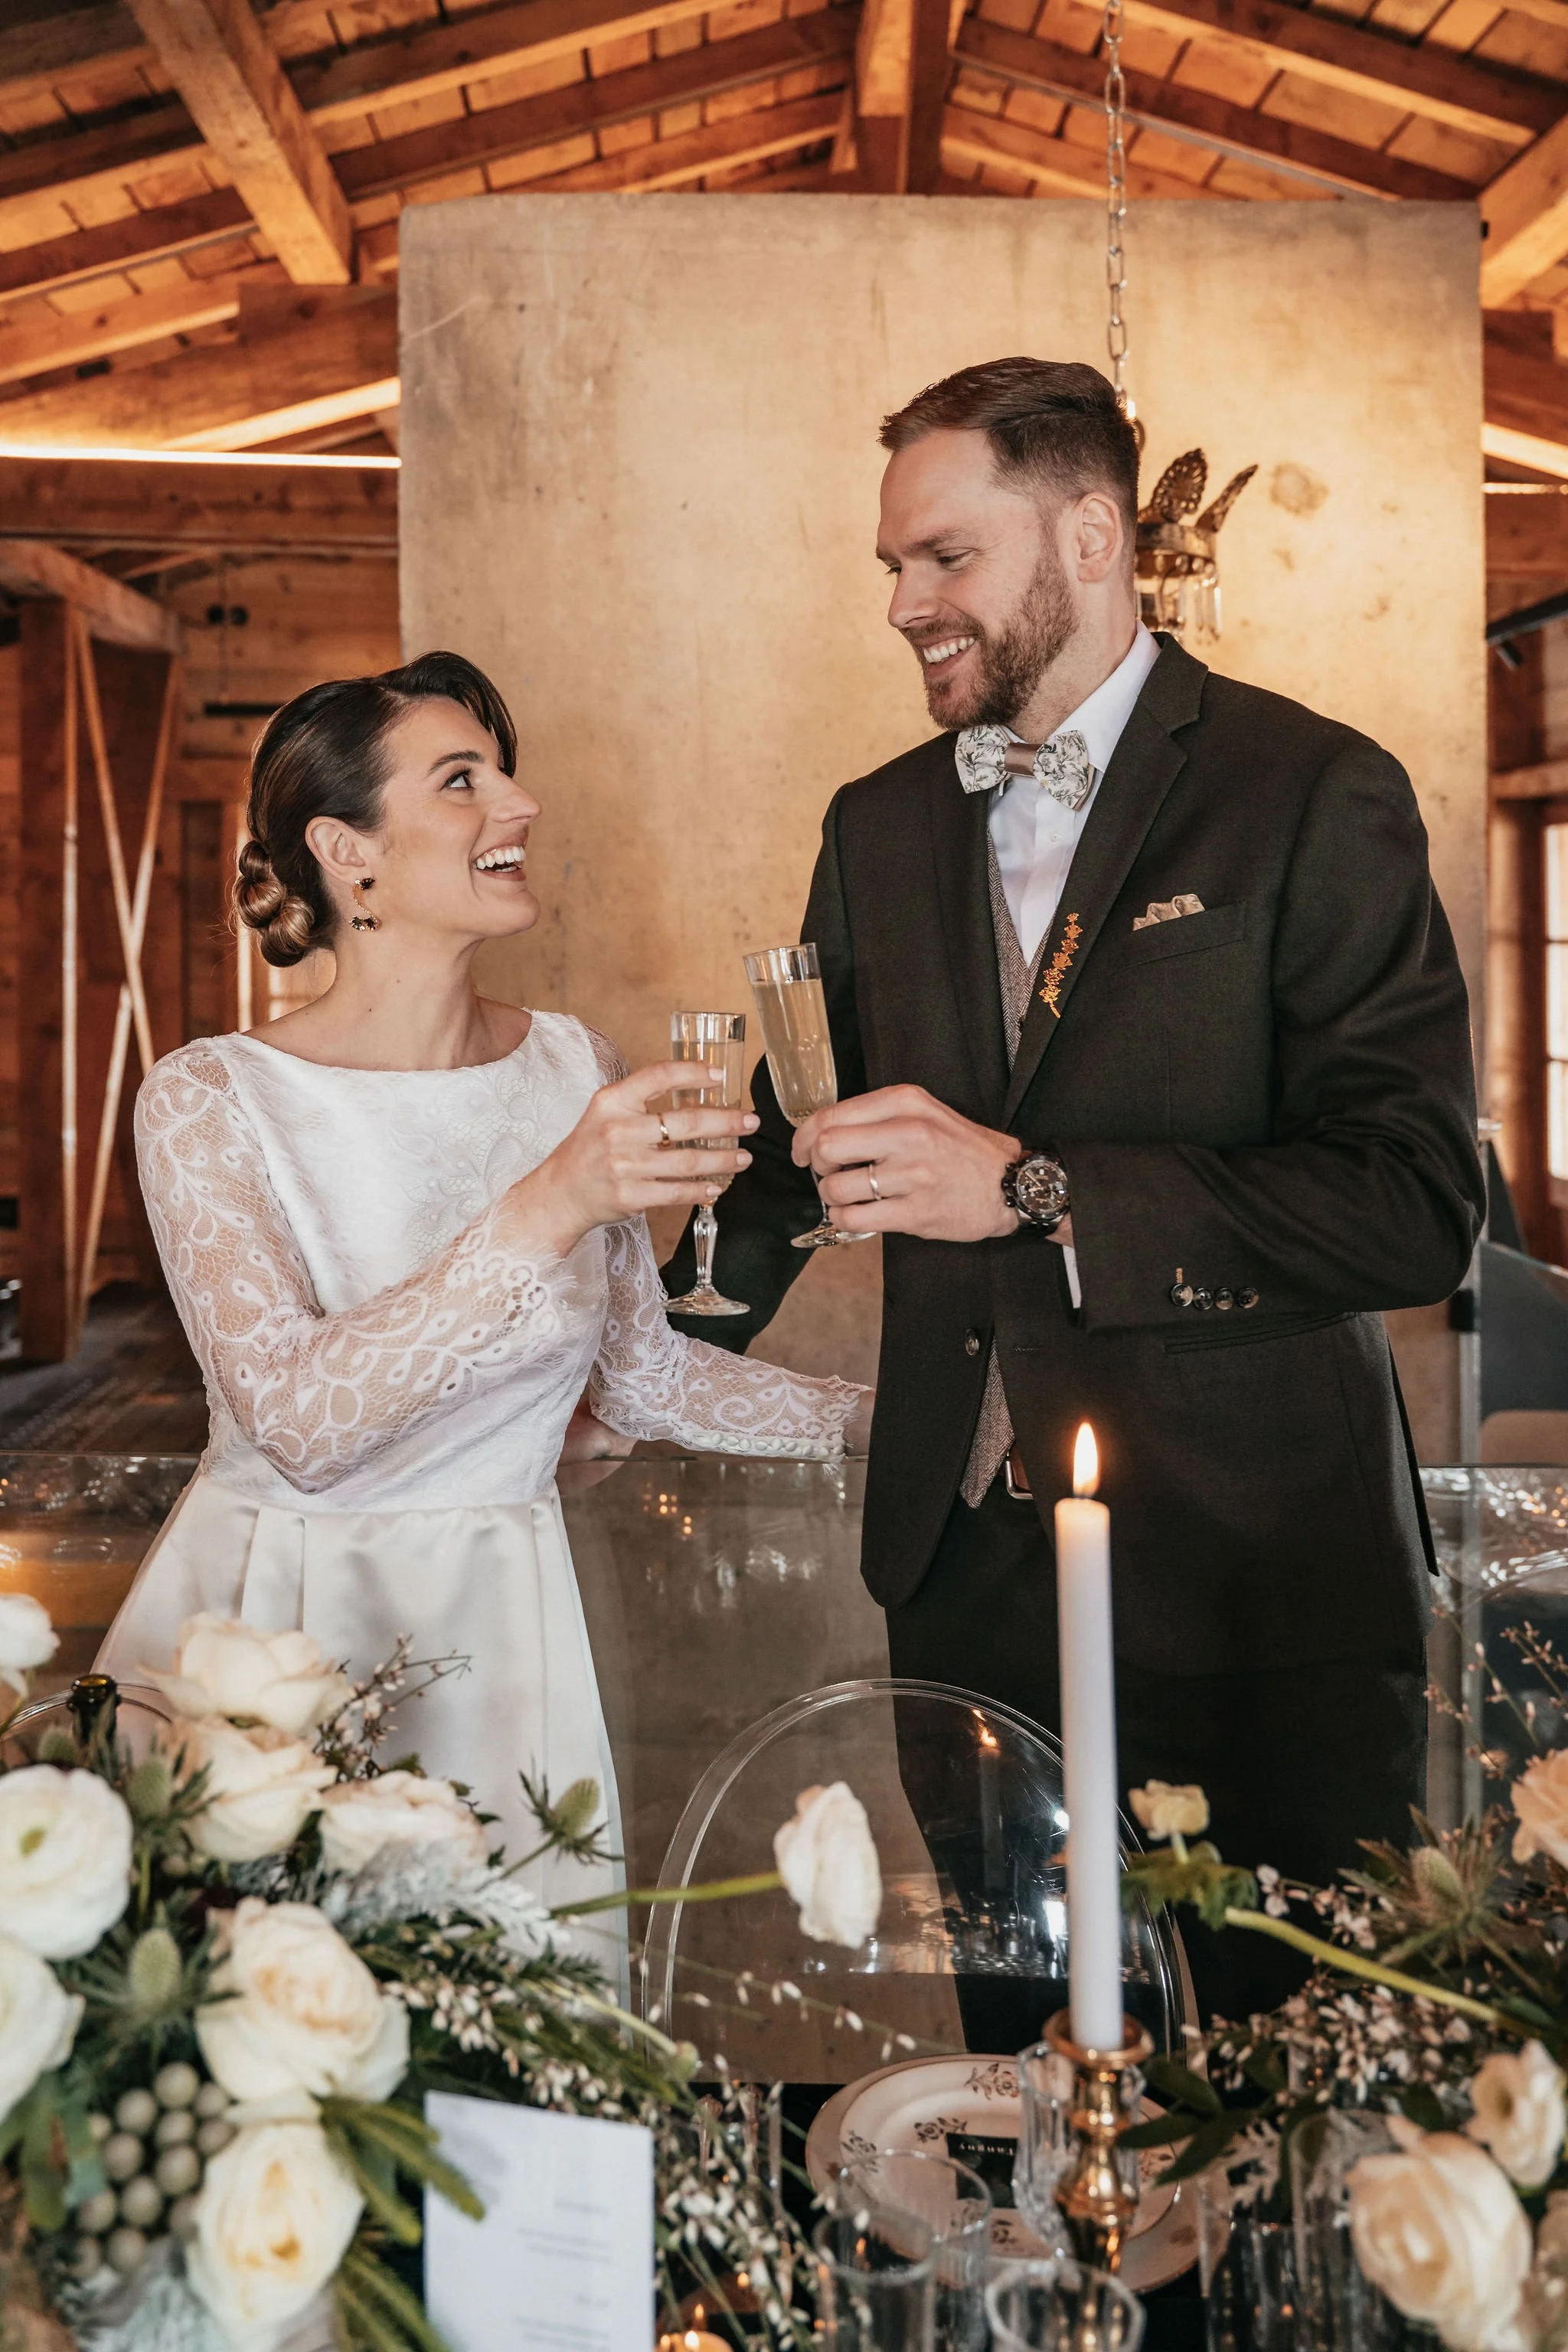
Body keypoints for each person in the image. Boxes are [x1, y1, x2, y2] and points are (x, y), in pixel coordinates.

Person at [665, 358, 1485, 2023]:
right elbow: (793, 1142)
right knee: (1009, 2067)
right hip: (963, 1584)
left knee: (1269, 2085)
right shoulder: (878, 824)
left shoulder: (1312, 790)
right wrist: (623, 1350)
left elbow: (1408, 1202)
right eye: (893, 565)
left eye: (946, 557)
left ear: (1094, 537)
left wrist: (1039, 1190)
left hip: (1252, 1583)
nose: (903, 603)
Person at [100, 652, 871, 1915]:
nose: (520, 805)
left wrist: (896, 1425)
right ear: (347, 852)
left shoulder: (574, 1068)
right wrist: (552, 1200)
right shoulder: (206, 1100)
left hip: (510, 1632)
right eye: (462, 780)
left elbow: (647, 1376)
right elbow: (297, 1422)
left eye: (504, 774)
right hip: (275, 1638)